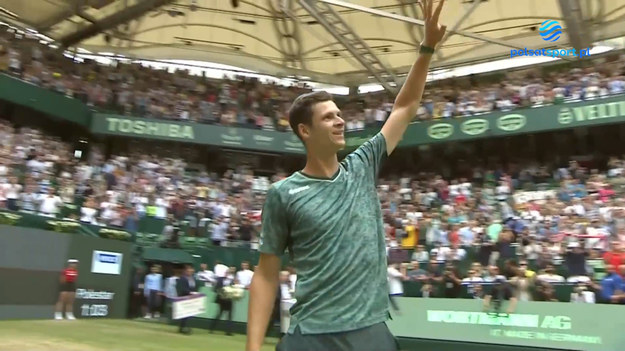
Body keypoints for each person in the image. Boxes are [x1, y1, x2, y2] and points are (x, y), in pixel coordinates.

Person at [246, 1, 447, 350]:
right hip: (310, 337)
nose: (340, 121)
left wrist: (426, 49)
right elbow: (266, 274)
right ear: (305, 131)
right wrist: (252, 347)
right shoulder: (284, 194)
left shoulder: (363, 164)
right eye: (328, 117)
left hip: (370, 332)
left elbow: (404, 106)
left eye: (339, 114)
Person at [176, 265, 197, 334]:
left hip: (191, 298)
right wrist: (190, 292)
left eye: (191, 271)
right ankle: (183, 328)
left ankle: (186, 327)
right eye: (188, 271)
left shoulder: (193, 279)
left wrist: (195, 293)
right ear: (185, 271)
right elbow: (182, 288)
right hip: (184, 298)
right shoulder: (182, 278)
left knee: (190, 313)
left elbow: (194, 287)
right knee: (184, 314)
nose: (190, 272)